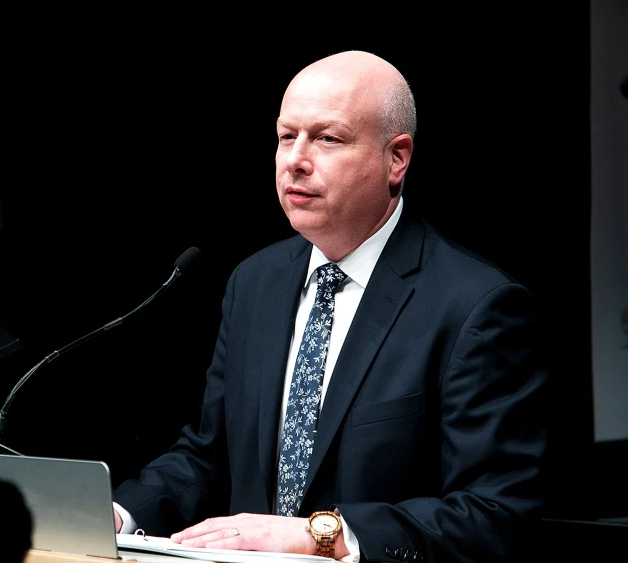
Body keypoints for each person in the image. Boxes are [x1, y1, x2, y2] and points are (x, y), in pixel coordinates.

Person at [110, 50, 549, 562]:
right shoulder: (255, 282)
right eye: (285, 136)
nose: (295, 158)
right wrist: (120, 512)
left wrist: (321, 534)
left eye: (327, 138)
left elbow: (494, 513)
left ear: (396, 159)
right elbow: (211, 454)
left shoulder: (477, 307)